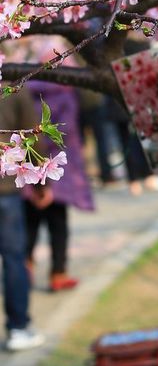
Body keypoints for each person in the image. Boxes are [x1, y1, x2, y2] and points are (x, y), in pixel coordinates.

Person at [23, 81, 94, 292]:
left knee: (29, 223)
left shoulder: (23, 92)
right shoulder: (64, 93)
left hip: (26, 168)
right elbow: (66, 132)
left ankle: (25, 268)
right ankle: (58, 272)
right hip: (58, 170)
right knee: (58, 225)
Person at [0, 89, 45, 351]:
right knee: (14, 259)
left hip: (7, 187)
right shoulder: (14, 86)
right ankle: (18, 327)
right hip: (5, 192)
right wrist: (41, 183)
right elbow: (33, 134)